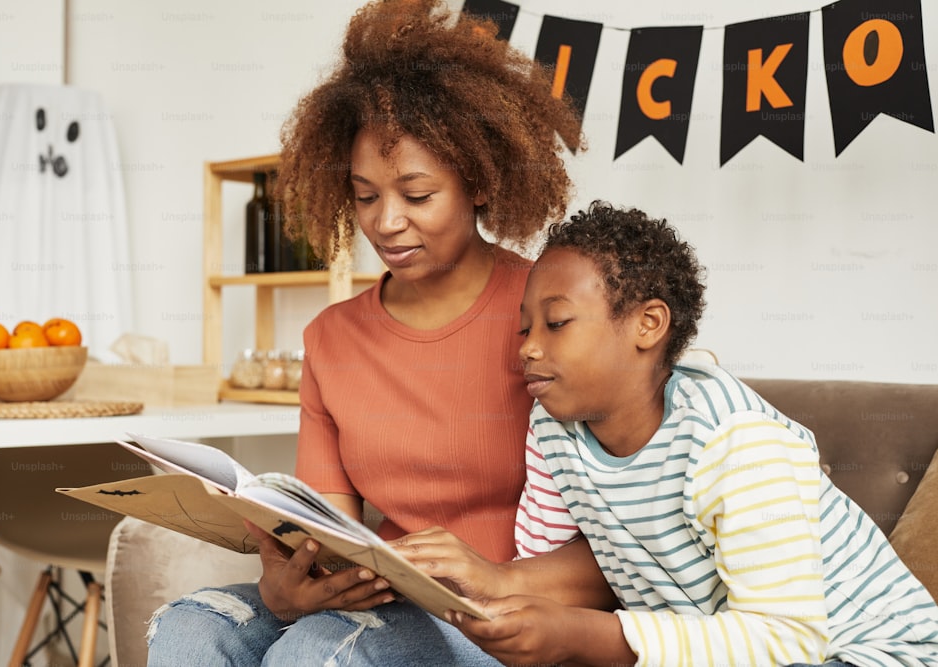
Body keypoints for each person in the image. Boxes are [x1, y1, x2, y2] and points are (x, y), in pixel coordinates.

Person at [145, 0, 598, 664]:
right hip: (382, 601)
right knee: (189, 625)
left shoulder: (550, 311)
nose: (385, 222)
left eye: (416, 195)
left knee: (319, 652)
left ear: (476, 179)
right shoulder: (333, 337)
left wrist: (493, 573)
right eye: (364, 196)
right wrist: (289, 586)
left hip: (499, 611)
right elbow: (328, 526)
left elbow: (628, 541)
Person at [393, 201, 938, 666]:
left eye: (556, 323)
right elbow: (547, 567)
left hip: (872, 653)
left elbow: (787, 642)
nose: (528, 347)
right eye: (525, 327)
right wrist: (484, 583)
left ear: (648, 325)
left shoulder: (736, 440)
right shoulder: (555, 429)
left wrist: (582, 635)